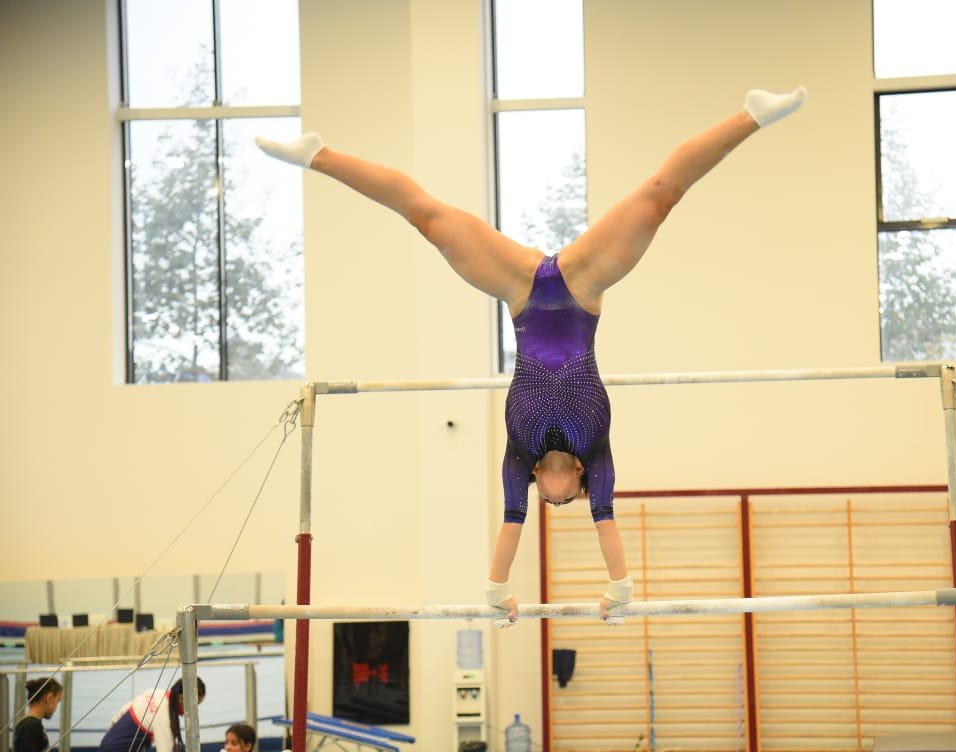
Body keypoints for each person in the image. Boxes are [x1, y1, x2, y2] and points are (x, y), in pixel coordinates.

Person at [256, 86, 807, 623]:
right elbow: (609, 530)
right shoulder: (600, 459)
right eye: (559, 503)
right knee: (659, 197)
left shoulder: (519, 459)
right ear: (575, 485)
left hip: (521, 293)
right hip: (583, 291)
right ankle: (750, 117)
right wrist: (621, 591)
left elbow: (508, 531)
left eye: (546, 501)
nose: (550, 501)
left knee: (427, 218)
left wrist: (496, 594)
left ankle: (318, 156)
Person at [99, 678, 206, 752]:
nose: (194, 711)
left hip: (108, 740)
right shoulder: (165, 717)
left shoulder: (156, 693)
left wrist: (110, 732)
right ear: (181, 698)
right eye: (195, 705)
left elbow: (122, 711)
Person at [13, 677, 63, 752]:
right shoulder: (30, 726)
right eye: (57, 701)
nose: (56, 707)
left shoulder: (33, 725)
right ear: (49, 698)